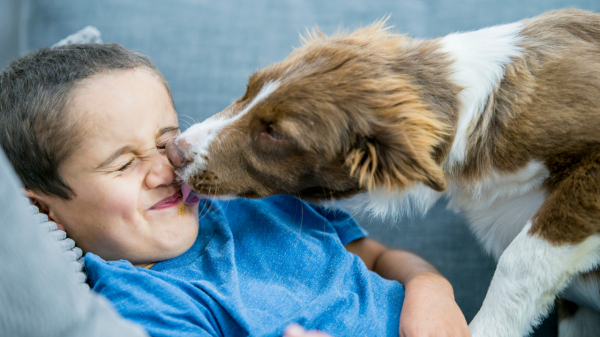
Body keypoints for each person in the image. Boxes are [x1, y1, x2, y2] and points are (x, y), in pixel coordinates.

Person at [0, 43, 470, 337]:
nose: (167, 168)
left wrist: (431, 288)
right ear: (44, 213)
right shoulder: (144, 302)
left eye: (167, 141)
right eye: (123, 163)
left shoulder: (263, 198)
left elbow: (380, 257)